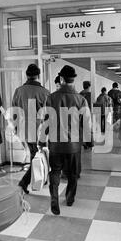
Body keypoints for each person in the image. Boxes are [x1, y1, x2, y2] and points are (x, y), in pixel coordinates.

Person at [42, 65, 91, 215]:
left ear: (61, 79)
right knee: (73, 174)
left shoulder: (51, 98)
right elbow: (87, 123)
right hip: (73, 145)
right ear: (74, 80)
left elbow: (46, 122)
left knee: (55, 172)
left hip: (56, 144)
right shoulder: (81, 100)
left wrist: (40, 140)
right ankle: (69, 198)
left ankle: (54, 199)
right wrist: (89, 142)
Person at [12, 64, 50, 194]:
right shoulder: (44, 92)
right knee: (37, 156)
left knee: (34, 155)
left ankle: (40, 178)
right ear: (38, 76)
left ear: (27, 75)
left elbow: (14, 112)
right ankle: (24, 182)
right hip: (39, 131)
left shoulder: (18, 91)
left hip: (24, 130)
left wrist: (16, 128)